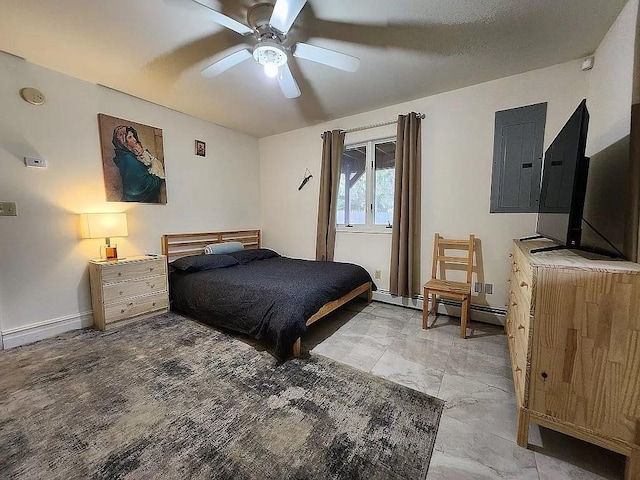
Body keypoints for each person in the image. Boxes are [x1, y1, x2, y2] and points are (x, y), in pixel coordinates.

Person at [112, 125, 165, 203]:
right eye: (130, 137)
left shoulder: (131, 155)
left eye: (134, 136)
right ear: (122, 141)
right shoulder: (128, 158)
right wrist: (157, 179)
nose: (134, 140)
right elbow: (141, 185)